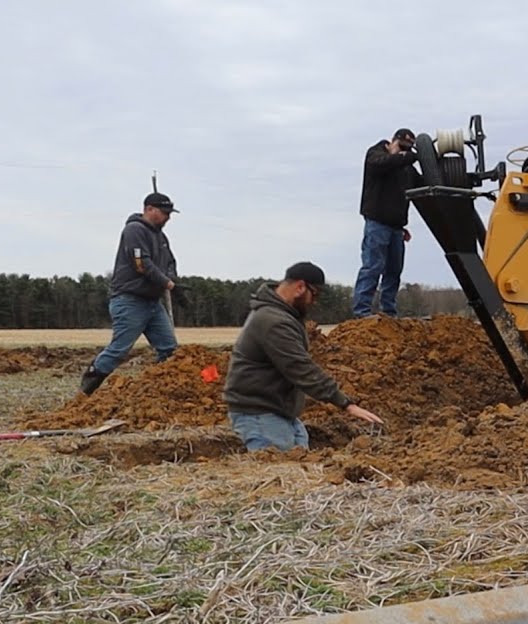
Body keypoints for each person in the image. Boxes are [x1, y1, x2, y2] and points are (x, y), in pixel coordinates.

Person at [224, 261, 384, 452]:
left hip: (277, 413)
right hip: (260, 416)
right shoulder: (273, 321)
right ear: (300, 287)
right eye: (314, 294)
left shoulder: (281, 315)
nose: (313, 302)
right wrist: (347, 404)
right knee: (281, 474)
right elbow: (301, 368)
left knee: (302, 462)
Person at [80, 191, 188, 395]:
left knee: (169, 349)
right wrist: (168, 284)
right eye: (164, 212)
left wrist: (172, 280)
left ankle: (158, 391)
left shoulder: (161, 237)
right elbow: (142, 265)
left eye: (169, 213)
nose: (168, 217)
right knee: (119, 350)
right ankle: (85, 392)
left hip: (153, 304)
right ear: (149, 209)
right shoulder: (134, 231)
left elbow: (170, 262)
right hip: (130, 301)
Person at [352, 128, 421, 318]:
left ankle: (388, 312)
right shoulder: (376, 154)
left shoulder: (406, 168)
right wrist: (408, 156)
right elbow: (383, 163)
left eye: (407, 149)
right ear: (392, 142)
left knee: (393, 270)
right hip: (377, 223)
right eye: (400, 147)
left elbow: (420, 185)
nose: (402, 152)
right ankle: (362, 312)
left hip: (396, 227)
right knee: (373, 266)